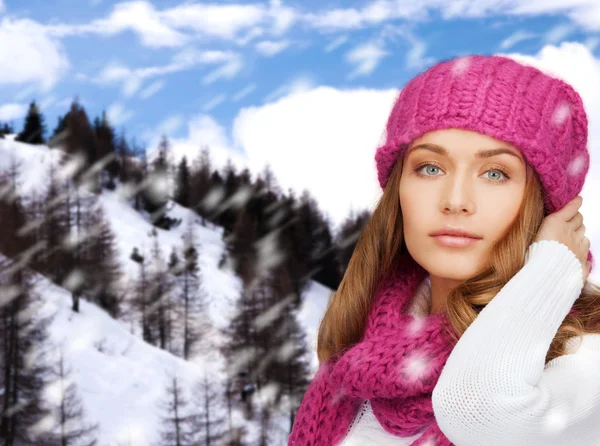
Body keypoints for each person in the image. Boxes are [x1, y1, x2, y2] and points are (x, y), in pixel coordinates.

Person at [287, 54, 600, 446]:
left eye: (495, 173)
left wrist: (551, 270)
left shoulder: (585, 358)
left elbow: (480, 413)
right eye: (430, 168)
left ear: (549, 207)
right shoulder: (358, 355)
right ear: (398, 188)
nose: (455, 200)